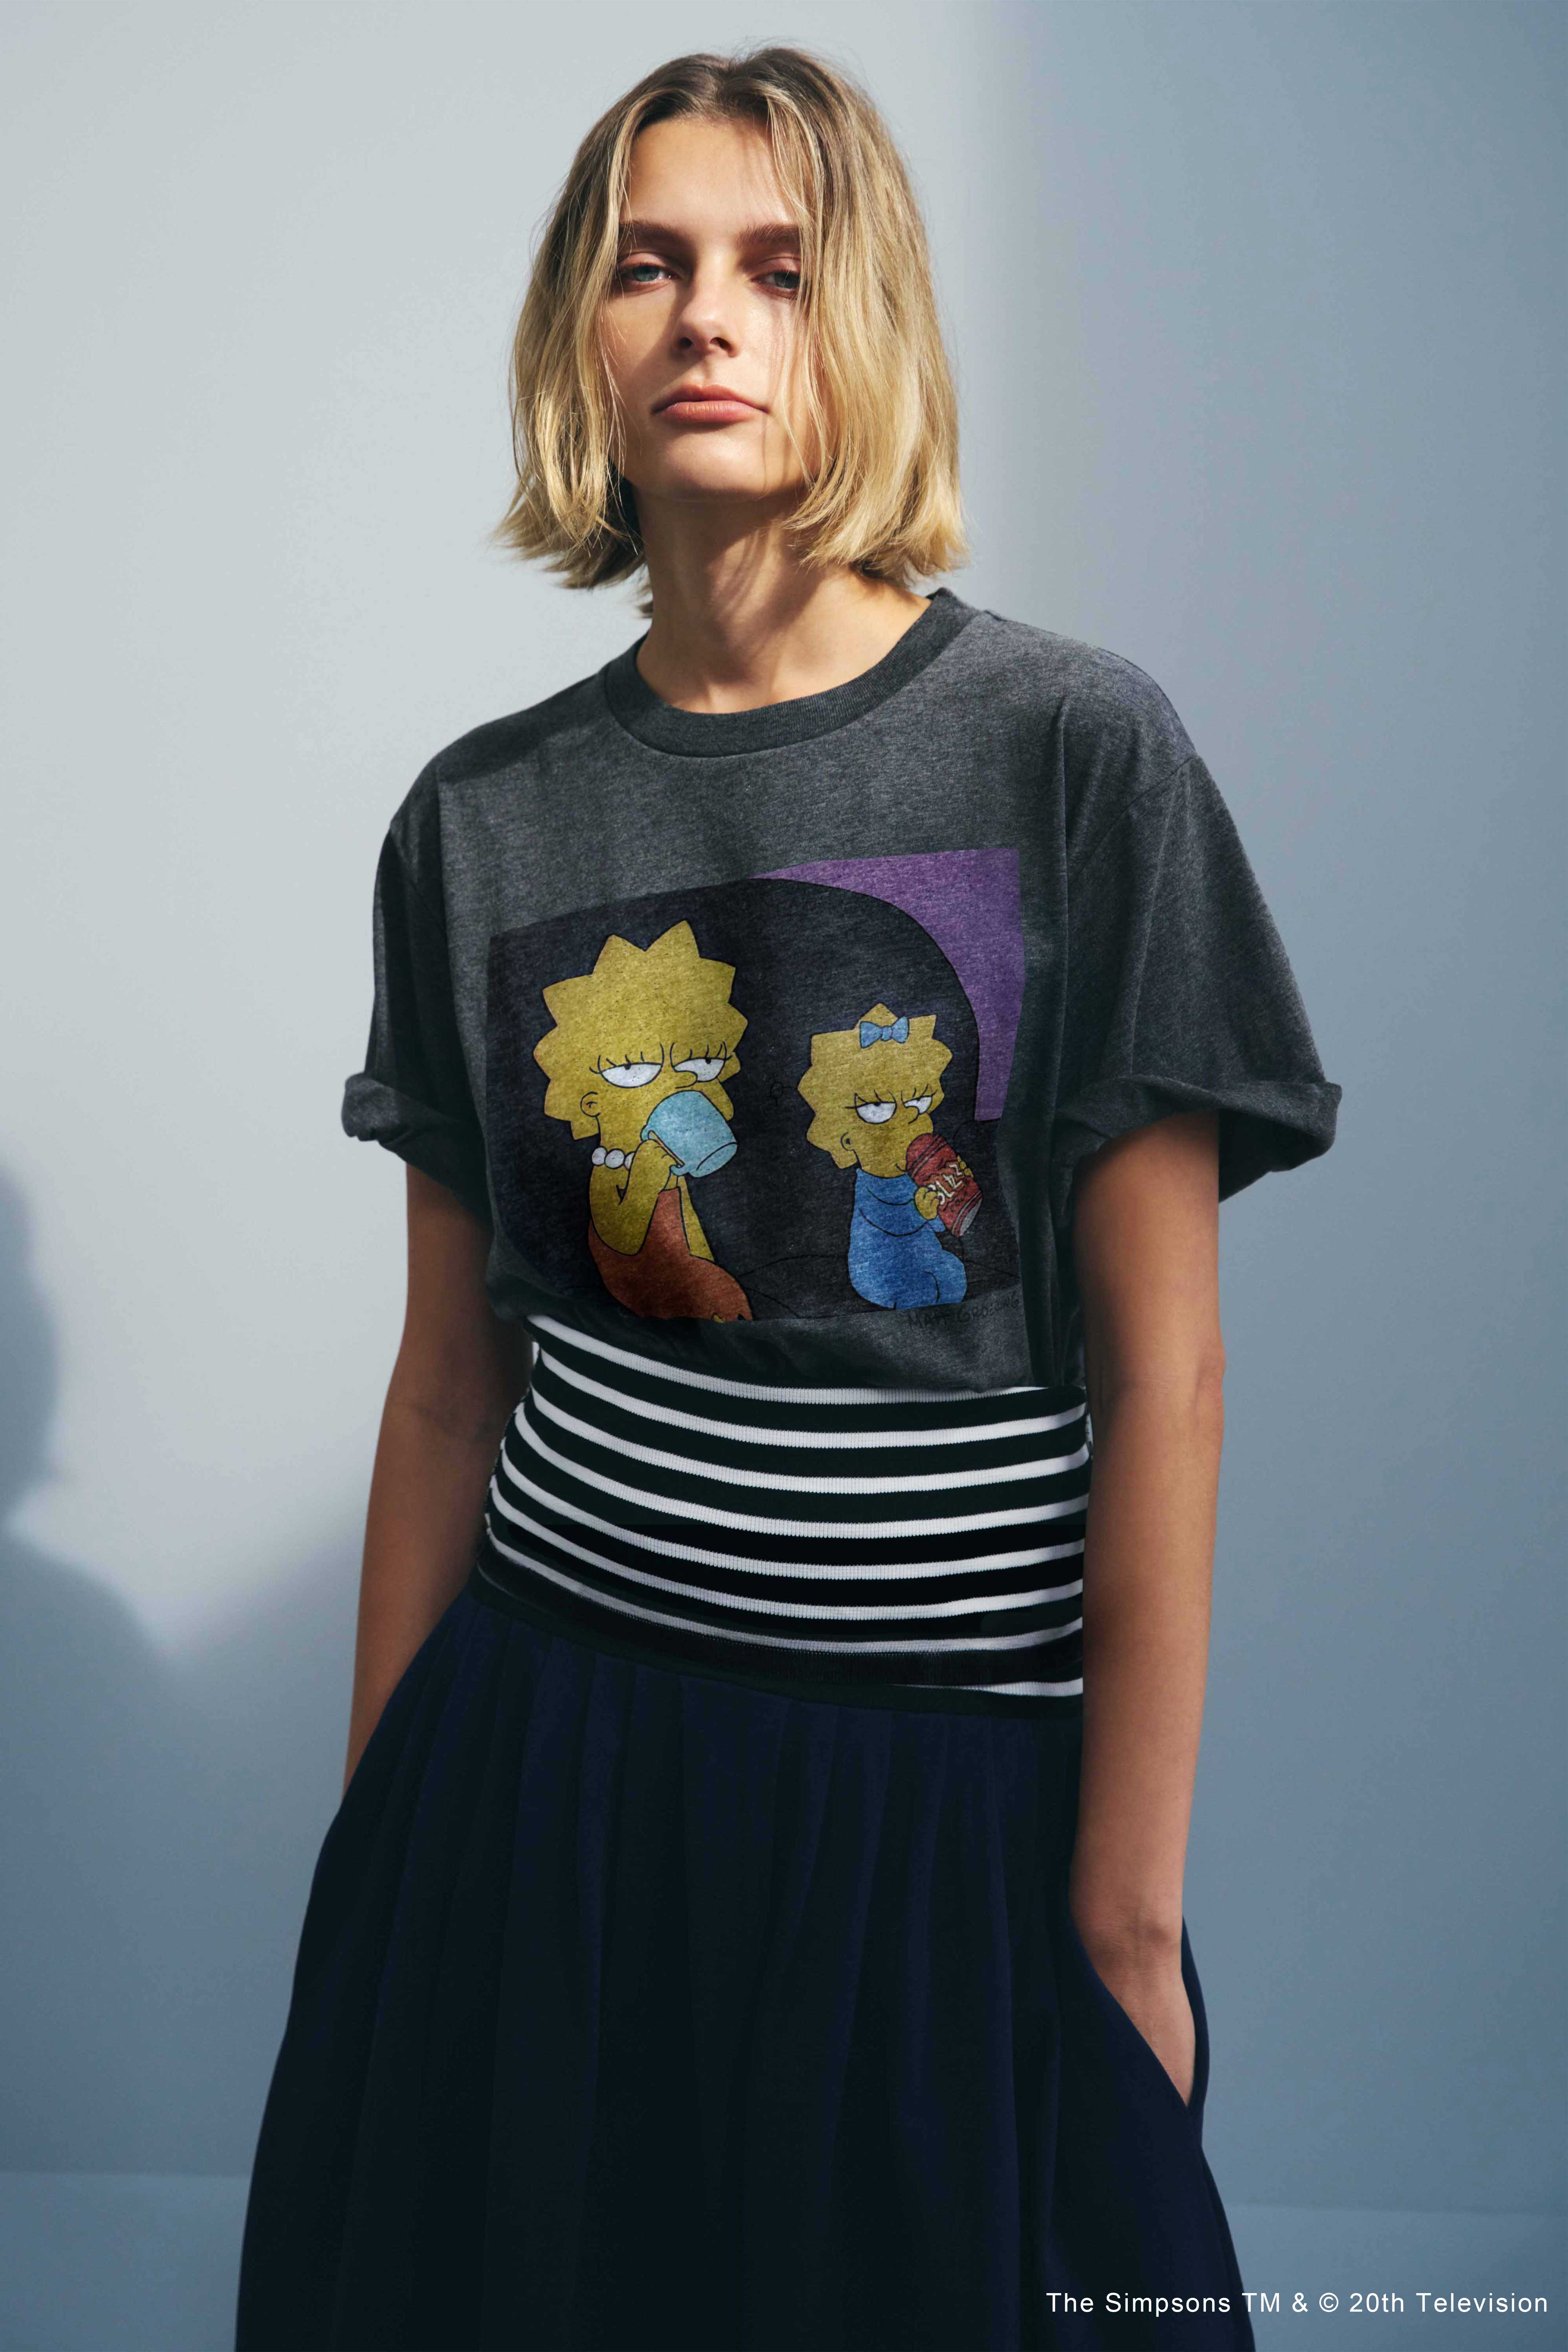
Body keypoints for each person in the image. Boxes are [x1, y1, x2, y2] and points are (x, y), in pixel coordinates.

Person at [235, 43, 1339, 2352]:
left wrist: (1126, 1923)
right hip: (548, 1782)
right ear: (584, 333)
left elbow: (1168, 1376)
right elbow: (445, 1388)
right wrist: (376, 1854)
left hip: (945, 1805)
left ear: (871, 326)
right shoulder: (480, 819)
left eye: (778, 266)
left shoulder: (1079, 752)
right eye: (650, 264)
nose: (709, 316)